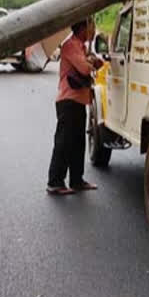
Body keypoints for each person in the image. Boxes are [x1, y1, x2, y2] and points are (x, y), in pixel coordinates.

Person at [47, 17, 104, 195]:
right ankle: (55, 182)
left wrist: (92, 59)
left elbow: (91, 65)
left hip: (79, 101)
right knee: (64, 143)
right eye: (92, 26)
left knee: (78, 143)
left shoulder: (81, 46)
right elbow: (85, 69)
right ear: (83, 28)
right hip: (68, 101)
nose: (94, 30)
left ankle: (77, 180)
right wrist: (91, 62)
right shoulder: (70, 45)